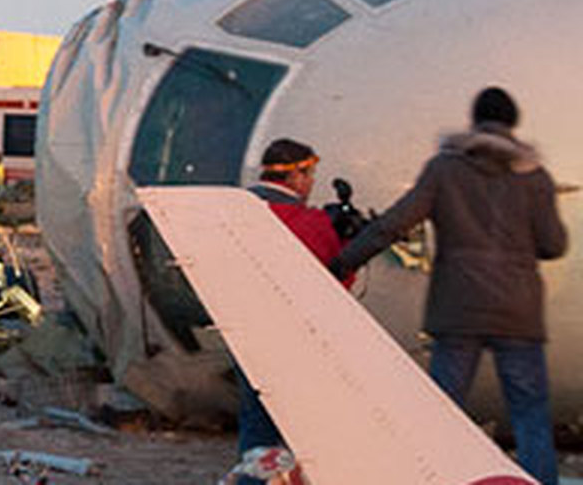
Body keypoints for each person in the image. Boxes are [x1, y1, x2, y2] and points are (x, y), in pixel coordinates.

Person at [331, 86, 566, 485]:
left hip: (458, 309)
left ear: (475, 121)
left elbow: (394, 224)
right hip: (518, 311)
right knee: (530, 415)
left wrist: (341, 263)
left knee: (441, 412)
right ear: (512, 123)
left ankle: (436, 477)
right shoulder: (535, 177)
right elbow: (553, 244)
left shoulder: (445, 169)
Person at [232, 138, 352, 484]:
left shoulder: (238, 209)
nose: (312, 181)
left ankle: (252, 481)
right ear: (295, 176)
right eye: (309, 173)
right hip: (294, 337)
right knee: (311, 425)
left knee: (256, 423)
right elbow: (331, 282)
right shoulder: (307, 221)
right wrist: (348, 244)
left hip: (244, 331)